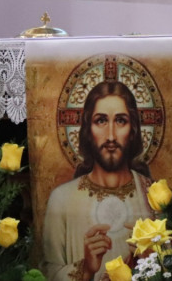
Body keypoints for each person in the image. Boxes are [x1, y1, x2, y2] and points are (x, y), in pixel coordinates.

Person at [42, 80, 155, 281]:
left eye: (120, 120)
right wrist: (86, 269)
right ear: (88, 129)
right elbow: (46, 272)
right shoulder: (61, 199)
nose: (110, 136)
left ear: (133, 130)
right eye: (101, 121)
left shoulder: (154, 197)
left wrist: (150, 262)